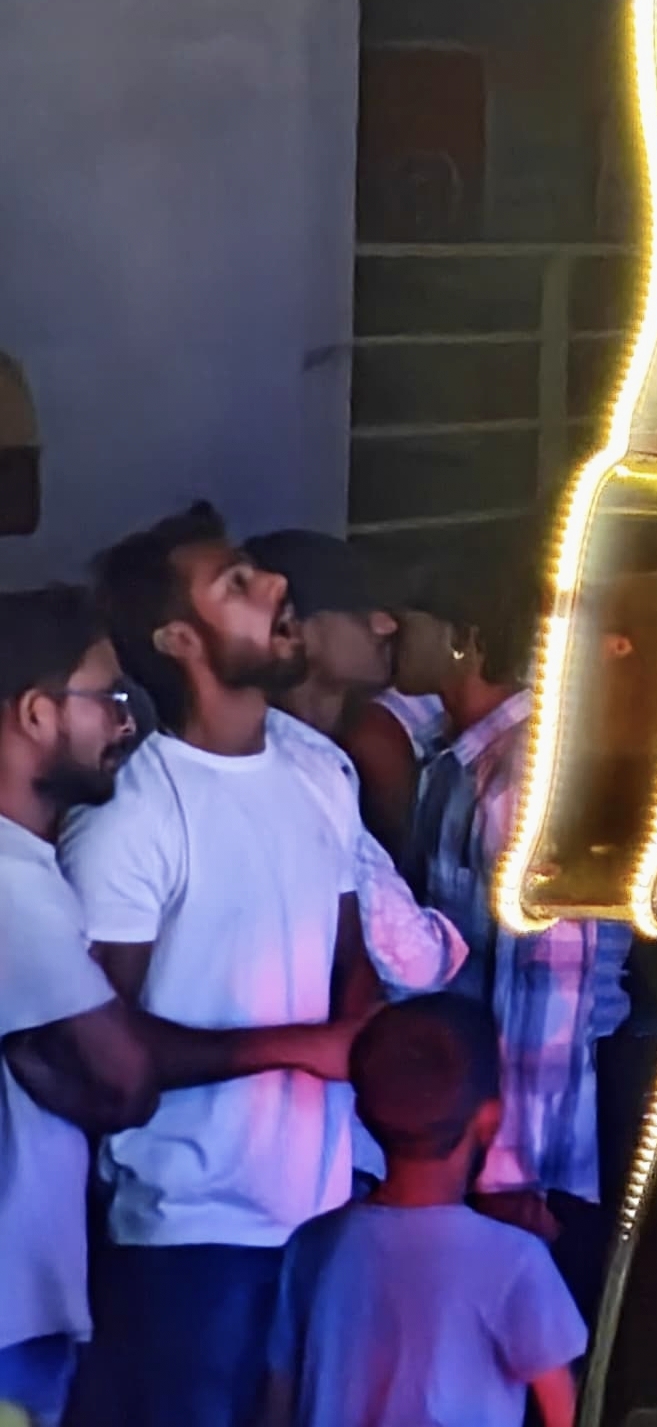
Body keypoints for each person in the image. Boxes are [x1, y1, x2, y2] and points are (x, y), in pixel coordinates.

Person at [64, 507, 384, 1427]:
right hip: (185, 1230)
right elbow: (98, 1045)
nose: (277, 588)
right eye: (237, 585)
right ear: (178, 639)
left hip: (325, 1210)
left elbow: (347, 962)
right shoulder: (135, 809)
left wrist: (354, 1045)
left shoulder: (319, 768)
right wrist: (302, 1047)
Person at [389, 539, 630, 1298]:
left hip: (539, 1149)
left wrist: (512, 1172)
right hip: (494, 1129)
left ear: (465, 639)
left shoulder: (524, 780)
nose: (389, 631)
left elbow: (549, 990)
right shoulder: (461, 760)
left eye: (408, 621)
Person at [265, 995, 586, 1427]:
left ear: (362, 1111)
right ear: (490, 1119)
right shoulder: (515, 1260)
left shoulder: (313, 1245)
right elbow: (564, 1412)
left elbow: (275, 1404)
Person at [0, 586, 156, 1425]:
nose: (125, 725)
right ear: (35, 713)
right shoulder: (11, 885)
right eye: (108, 701)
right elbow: (129, 1083)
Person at [249, 535, 424, 862]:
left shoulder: (375, 742)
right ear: (292, 627)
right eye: (359, 609)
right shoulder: (259, 768)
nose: (386, 626)